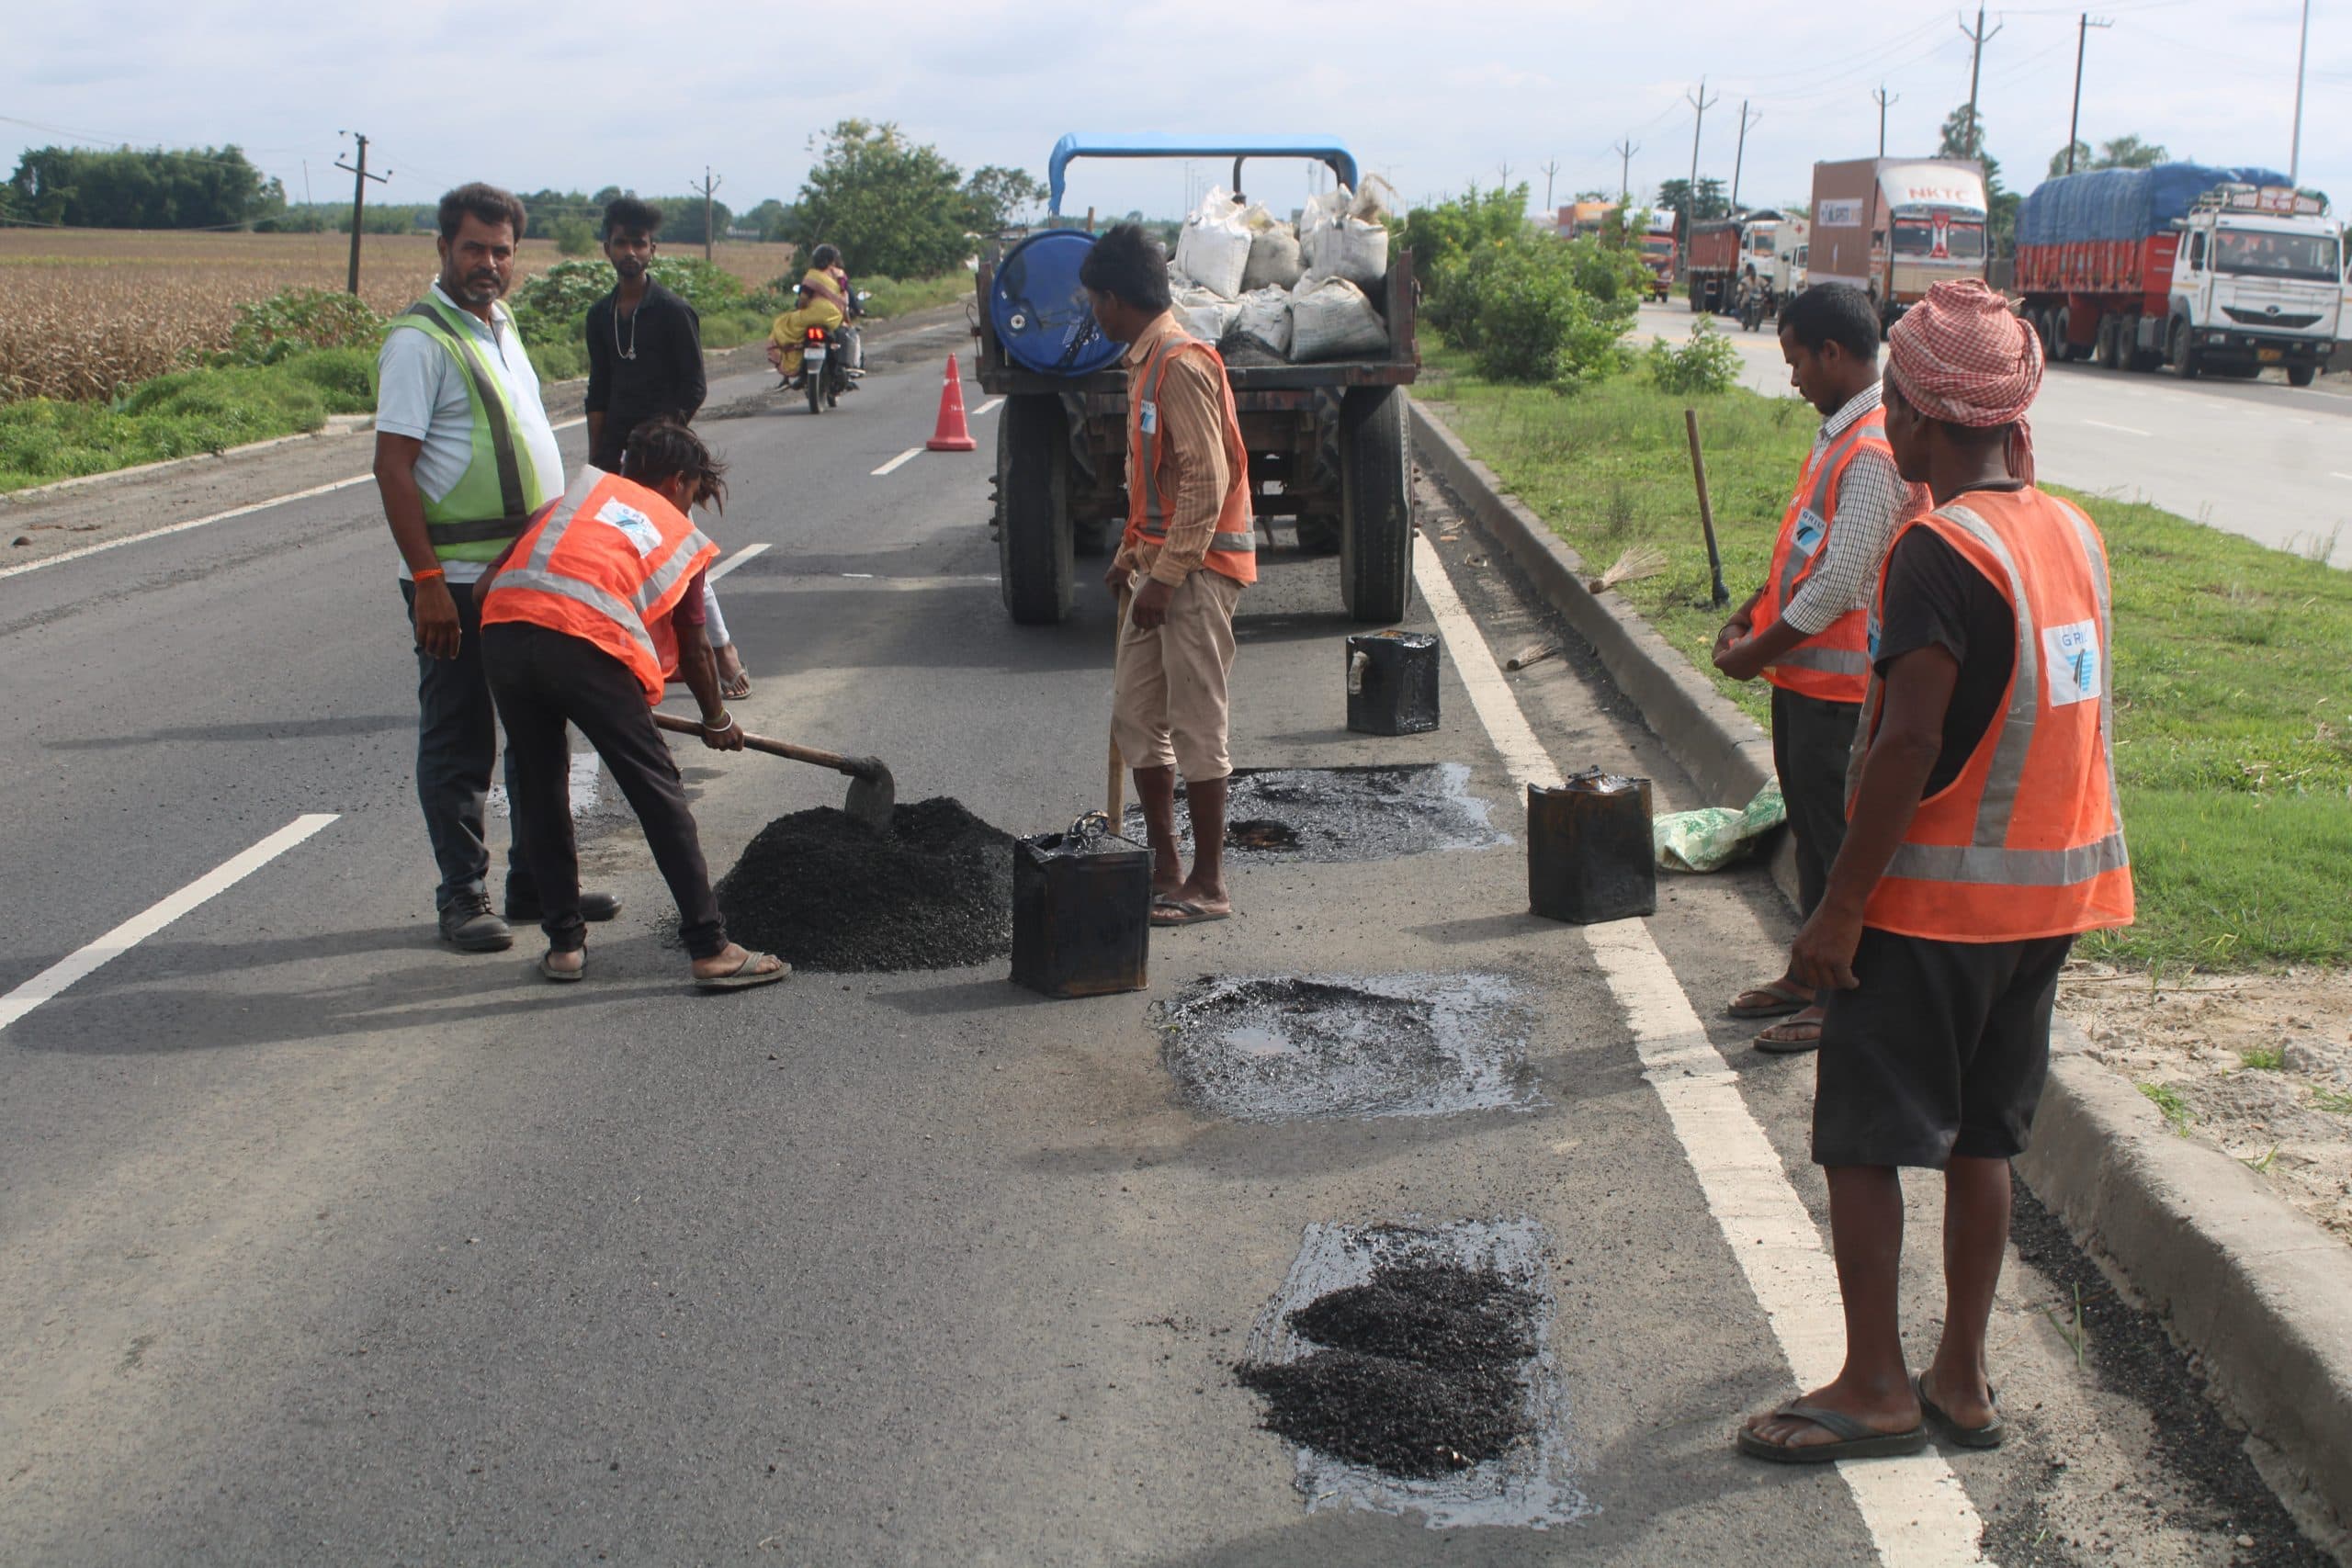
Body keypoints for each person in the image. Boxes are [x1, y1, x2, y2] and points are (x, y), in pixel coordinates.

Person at [1739, 278, 2132, 1464]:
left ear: (1913, 412)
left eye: (1899, 409)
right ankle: (1960, 1372)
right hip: (2046, 901)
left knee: (1863, 1137)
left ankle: (1875, 1382)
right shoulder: (2071, 529)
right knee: (1982, 1139)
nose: (1893, 430)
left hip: (1932, 907)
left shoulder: (1936, 545)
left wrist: (1837, 911)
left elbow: (1908, 740)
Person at [374, 182, 618, 953]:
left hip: (525, 576)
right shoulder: (419, 341)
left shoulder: (500, 323)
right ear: (443, 248)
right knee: (460, 740)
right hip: (457, 579)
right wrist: (425, 583)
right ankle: (462, 893)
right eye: (474, 248)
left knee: (538, 733)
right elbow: (392, 466)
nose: (488, 263)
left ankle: (535, 882)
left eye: (502, 250)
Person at [478, 418, 789, 991]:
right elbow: (694, 646)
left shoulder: (572, 502)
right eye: (695, 492)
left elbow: (484, 587)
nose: (692, 505)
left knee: (542, 791)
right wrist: (715, 718)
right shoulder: (671, 527)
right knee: (657, 790)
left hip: (503, 633)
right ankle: (710, 947)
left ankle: (565, 946)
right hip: (583, 647)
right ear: (677, 481)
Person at [1712, 284, 1923, 1053]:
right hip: (1804, 684)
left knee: (1838, 845)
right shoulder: (1840, 433)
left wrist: (1753, 654)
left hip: (1843, 692)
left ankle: (1841, 1004)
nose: (1793, 376)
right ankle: (1806, 977)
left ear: (1833, 354)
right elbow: (1808, 549)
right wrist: (1754, 610)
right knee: (1810, 830)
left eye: (1797, 359)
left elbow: (1840, 582)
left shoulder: (1871, 446)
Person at [1080, 223, 1257, 928]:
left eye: (1096, 300)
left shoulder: (1179, 363)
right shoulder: (1143, 363)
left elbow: (1205, 486)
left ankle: (1209, 884)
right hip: (1156, 568)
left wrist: (1167, 576)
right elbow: (1154, 485)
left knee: (1196, 723)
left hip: (1199, 572)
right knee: (1135, 716)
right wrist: (1132, 559)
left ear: (1116, 299)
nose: (1094, 314)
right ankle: (1165, 866)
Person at [582, 196, 749, 698]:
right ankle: (629, 656)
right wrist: (598, 463)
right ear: (607, 248)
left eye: (639, 243)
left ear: (653, 249)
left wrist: (663, 445)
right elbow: (598, 391)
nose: (630, 251)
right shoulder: (599, 315)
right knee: (618, 559)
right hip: (616, 460)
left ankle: (719, 648)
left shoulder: (674, 311)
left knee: (682, 557)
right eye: (621, 242)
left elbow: (693, 387)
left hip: (662, 462)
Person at [765, 243, 854, 383]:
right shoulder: (840, 275)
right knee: (845, 334)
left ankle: (789, 373)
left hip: (811, 317)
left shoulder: (812, 276)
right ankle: (842, 371)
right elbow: (845, 298)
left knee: (783, 324)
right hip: (833, 317)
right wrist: (847, 318)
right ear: (833, 260)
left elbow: (803, 300)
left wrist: (801, 309)